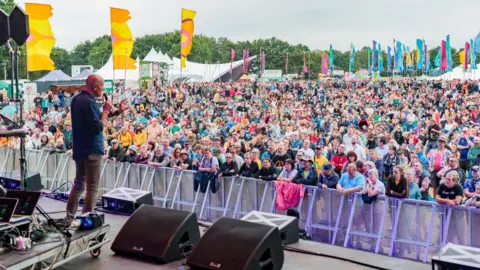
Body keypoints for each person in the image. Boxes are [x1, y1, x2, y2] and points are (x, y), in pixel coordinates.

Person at [66, 74, 128, 225]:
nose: (103, 90)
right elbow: (97, 127)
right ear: (95, 87)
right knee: (92, 186)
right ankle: (86, 219)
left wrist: (116, 112)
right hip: (92, 150)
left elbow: (93, 119)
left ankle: (68, 219)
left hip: (80, 148)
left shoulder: (77, 99)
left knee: (78, 183)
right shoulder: (90, 102)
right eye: (102, 87)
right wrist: (106, 110)